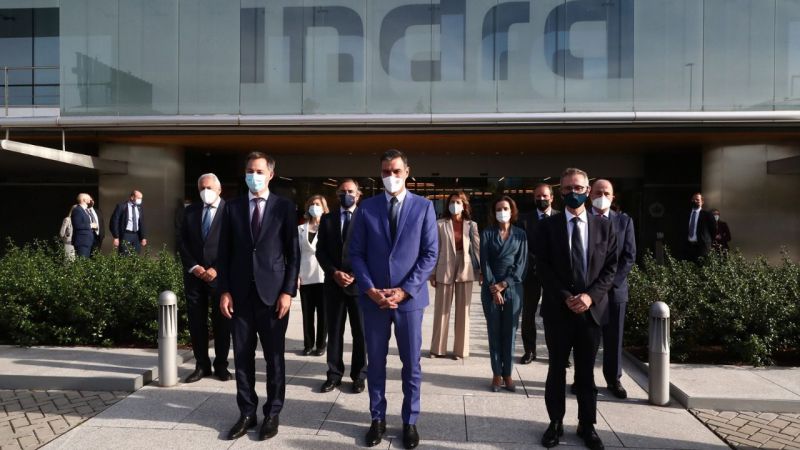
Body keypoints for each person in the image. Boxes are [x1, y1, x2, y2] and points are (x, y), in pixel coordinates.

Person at [348, 149, 438, 449]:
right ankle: (377, 418)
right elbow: (356, 254)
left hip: (409, 301)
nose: (391, 176)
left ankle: (409, 421)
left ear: (407, 172)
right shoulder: (367, 208)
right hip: (374, 300)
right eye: (385, 171)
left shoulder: (424, 207)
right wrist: (370, 289)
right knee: (375, 363)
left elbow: (429, 255)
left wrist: (404, 290)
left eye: (396, 171)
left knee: (411, 364)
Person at [217, 152, 300, 441]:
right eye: (250, 170)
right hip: (240, 295)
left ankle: (272, 412)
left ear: (271, 174)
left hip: (273, 295)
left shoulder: (284, 208)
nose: (254, 175)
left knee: (274, 358)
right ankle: (247, 412)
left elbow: (293, 255)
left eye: (260, 170)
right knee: (242, 356)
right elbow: (223, 253)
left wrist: (288, 291)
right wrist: (224, 290)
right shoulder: (231, 208)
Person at [536, 168, 618, 450]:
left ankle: (588, 425)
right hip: (559, 311)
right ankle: (555, 423)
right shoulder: (548, 226)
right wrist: (566, 296)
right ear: (561, 192)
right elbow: (542, 266)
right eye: (568, 188)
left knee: (586, 373)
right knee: (556, 370)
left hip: (591, 313)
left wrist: (589, 297)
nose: (574, 193)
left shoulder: (605, 226)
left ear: (588, 189)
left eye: (579, 188)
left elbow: (611, 268)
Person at [315, 179, 367, 394]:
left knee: (360, 333)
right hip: (333, 284)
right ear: (337, 195)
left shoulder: (366, 219)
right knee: (334, 331)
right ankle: (334, 375)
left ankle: (359, 376)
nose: (347, 194)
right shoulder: (327, 219)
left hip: (358, 285)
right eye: (343, 191)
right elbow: (321, 251)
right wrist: (334, 272)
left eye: (351, 191)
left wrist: (355, 275)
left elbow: (371, 251)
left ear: (358, 194)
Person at [179, 173, 231, 384]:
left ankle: (221, 365)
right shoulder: (190, 211)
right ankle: (202, 365)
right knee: (196, 322)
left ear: (219, 190)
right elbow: (181, 241)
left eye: (209, 187)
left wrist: (217, 269)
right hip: (195, 276)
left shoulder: (230, 210)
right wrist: (195, 267)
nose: (205, 191)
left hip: (220, 277)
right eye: (201, 188)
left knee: (222, 323)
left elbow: (235, 245)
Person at [588, 179, 636, 400]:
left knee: (613, 337)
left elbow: (629, 256)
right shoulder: (582, 219)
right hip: (589, 293)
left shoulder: (624, 222)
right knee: (587, 338)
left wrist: (609, 284)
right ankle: (584, 379)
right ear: (590, 194)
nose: (602, 195)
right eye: (598, 192)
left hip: (615, 291)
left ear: (613, 196)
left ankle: (613, 379)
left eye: (606, 192)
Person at [480, 196, 527, 392]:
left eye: (505, 208)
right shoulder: (487, 233)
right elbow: (485, 262)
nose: (502, 212)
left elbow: (522, 264)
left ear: (512, 210)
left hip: (513, 288)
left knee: (510, 333)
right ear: (494, 212)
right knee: (494, 332)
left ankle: (508, 373)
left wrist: (504, 285)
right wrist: (494, 287)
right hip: (491, 288)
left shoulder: (520, 235)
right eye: (498, 209)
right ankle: (496, 374)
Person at [429, 192, 480, 360]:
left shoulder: (471, 225)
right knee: (441, 310)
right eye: (452, 202)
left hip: (465, 267)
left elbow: (476, 249)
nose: (455, 204)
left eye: (458, 202)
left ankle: (460, 350)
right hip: (445, 267)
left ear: (464, 205)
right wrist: (433, 272)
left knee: (463, 311)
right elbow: (434, 250)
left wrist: (480, 272)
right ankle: (437, 349)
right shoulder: (440, 224)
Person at [518, 183, 559, 364]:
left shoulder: (561, 218)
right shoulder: (524, 219)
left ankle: (558, 353)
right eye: (538, 196)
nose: (541, 199)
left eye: (544, 196)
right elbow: (522, 247)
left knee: (556, 315)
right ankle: (530, 351)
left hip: (555, 276)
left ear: (552, 197)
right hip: (531, 275)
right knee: (528, 314)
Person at [298, 195, 329, 356]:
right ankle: (308, 344)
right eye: (312, 204)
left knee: (323, 314)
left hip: (324, 276)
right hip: (305, 276)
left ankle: (321, 344)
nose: (314, 206)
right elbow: (296, 254)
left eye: (318, 204)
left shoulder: (328, 227)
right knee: (307, 314)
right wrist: (296, 275)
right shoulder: (300, 229)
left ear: (324, 208)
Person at [110, 190, 147, 255]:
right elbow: (114, 221)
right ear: (132, 197)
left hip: (136, 236)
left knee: (136, 256)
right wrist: (116, 237)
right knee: (124, 255)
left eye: (141, 198)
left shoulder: (139, 208)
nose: (140, 200)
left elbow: (141, 223)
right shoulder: (122, 206)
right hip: (126, 234)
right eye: (138, 198)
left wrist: (143, 237)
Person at [685, 192, 715, 263]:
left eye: (697, 199)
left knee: (701, 267)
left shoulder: (707, 215)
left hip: (702, 247)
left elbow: (713, 230)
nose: (695, 201)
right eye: (693, 199)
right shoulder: (686, 214)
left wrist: (707, 241)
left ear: (702, 202)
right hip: (688, 246)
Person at [71, 193, 98, 258]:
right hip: (82, 241)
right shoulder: (77, 210)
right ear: (84, 200)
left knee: (86, 263)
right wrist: (90, 225)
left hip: (88, 241)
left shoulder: (86, 210)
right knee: (82, 262)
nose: (90, 199)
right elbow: (77, 225)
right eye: (89, 197)